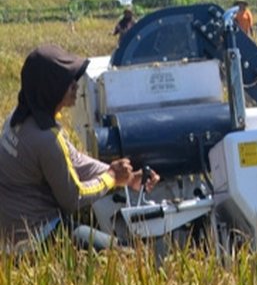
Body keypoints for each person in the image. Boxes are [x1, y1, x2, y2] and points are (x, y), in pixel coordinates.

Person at [0, 43, 159, 253]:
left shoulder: (18, 118)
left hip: (11, 227)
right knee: (127, 256)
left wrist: (127, 178)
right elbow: (74, 198)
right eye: (66, 82)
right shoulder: (47, 140)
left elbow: (74, 160)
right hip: (35, 235)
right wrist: (111, 177)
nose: (75, 85)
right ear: (50, 89)